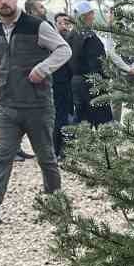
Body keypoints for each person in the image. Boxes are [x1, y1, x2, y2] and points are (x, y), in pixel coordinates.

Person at [0, 0, 71, 226]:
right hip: (8, 106)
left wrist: (43, 69)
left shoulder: (37, 26)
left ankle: (56, 205)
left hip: (38, 105)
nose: (3, 1)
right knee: (1, 156)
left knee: (46, 158)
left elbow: (63, 50)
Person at [69, 0, 113, 128]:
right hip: (92, 84)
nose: (93, 16)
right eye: (91, 13)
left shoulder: (72, 35)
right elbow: (97, 62)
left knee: (82, 121)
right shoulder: (89, 37)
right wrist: (104, 80)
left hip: (76, 83)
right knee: (103, 122)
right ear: (86, 15)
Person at [50, 9, 80, 158]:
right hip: (56, 84)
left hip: (70, 84)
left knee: (69, 115)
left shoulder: (72, 39)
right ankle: (55, 150)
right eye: (60, 23)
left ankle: (65, 149)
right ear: (55, 24)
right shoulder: (51, 41)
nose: (64, 26)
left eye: (66, 23)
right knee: (59, 117)